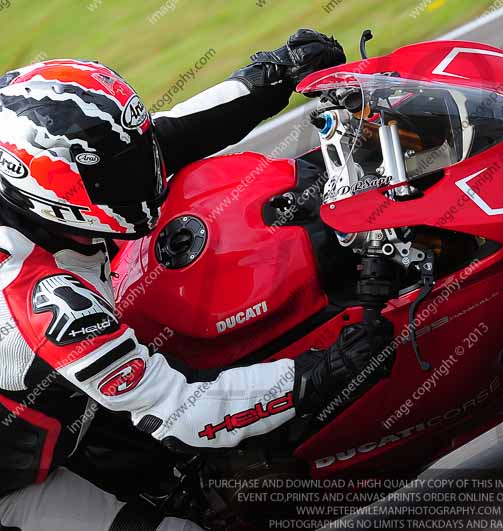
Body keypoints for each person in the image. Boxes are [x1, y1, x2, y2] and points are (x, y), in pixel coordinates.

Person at [0, 30, 394, 531]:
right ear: (47, 189)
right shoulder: (40, 301)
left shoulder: (42, 189)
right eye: (120, 175)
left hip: (58, 407)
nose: (145, 178)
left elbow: (163, 139)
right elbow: (181, 408)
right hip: (16, 482)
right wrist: (322, 372)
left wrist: (270, 76)